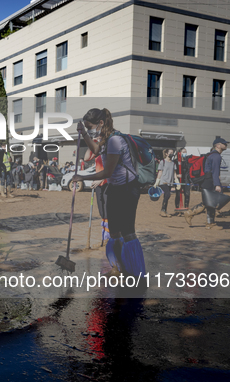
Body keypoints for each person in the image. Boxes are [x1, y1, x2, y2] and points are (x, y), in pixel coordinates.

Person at [72, 108, 145, 277]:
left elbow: (107, 173)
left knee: (127, 231)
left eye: (91, 127)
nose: (91, 130)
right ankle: (118, 267)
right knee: (113, 232)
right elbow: (95, 151)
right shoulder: (106, 139)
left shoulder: (115, 140)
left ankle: (135, 272)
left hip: (128, 189)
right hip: (115, 188)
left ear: (101, 123)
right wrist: (84, 134)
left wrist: (82, 177)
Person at [184, 138, 228, 229]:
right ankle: (190, 213)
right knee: (208, 202)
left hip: (206, 181)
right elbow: (215, 172)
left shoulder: (211, 155)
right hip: (209, 181)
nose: (226, 145)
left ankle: (210, 223)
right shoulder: (216, 156)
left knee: (210, 203)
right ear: (218, 145)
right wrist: (217, 185)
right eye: (224, 144)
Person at [84, 138, 110, 244]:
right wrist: (92, 144)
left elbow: (112, 169)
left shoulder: (109, 151)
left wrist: (101, 179)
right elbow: (86, 158)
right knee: (102, 211)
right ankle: (104, 235)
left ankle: (109, 236)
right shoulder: (98, 152)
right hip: (99, 184)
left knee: (108, 210)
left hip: (108, 182)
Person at [153, 148, 180, 218]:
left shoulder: (173, 163)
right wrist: (157, 181)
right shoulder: (163, 162)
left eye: (172, 152)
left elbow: (174, 173)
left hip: (170, 182)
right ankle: (162, 210)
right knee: (168, 194)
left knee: (166, 196)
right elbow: (160, 172)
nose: (172, 154)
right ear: (166, 154)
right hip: (163, 182)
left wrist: (177, 182)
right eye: (170, 152)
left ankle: (164, 210)